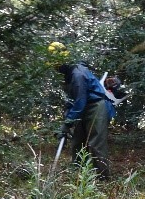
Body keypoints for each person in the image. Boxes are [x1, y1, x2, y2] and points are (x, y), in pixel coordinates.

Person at [48, 41, 115, 180]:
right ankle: (78, 176)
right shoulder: (69, 74)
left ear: (62, 61)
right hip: (83, 107)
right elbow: (74, 99)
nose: (55, 68)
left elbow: (80, 101)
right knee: (78, 142)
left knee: (96, 144)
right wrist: (68, 110)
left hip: (96, 107)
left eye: (56, 65)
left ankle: (103, 179)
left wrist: (67, 123)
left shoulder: (78, 74)